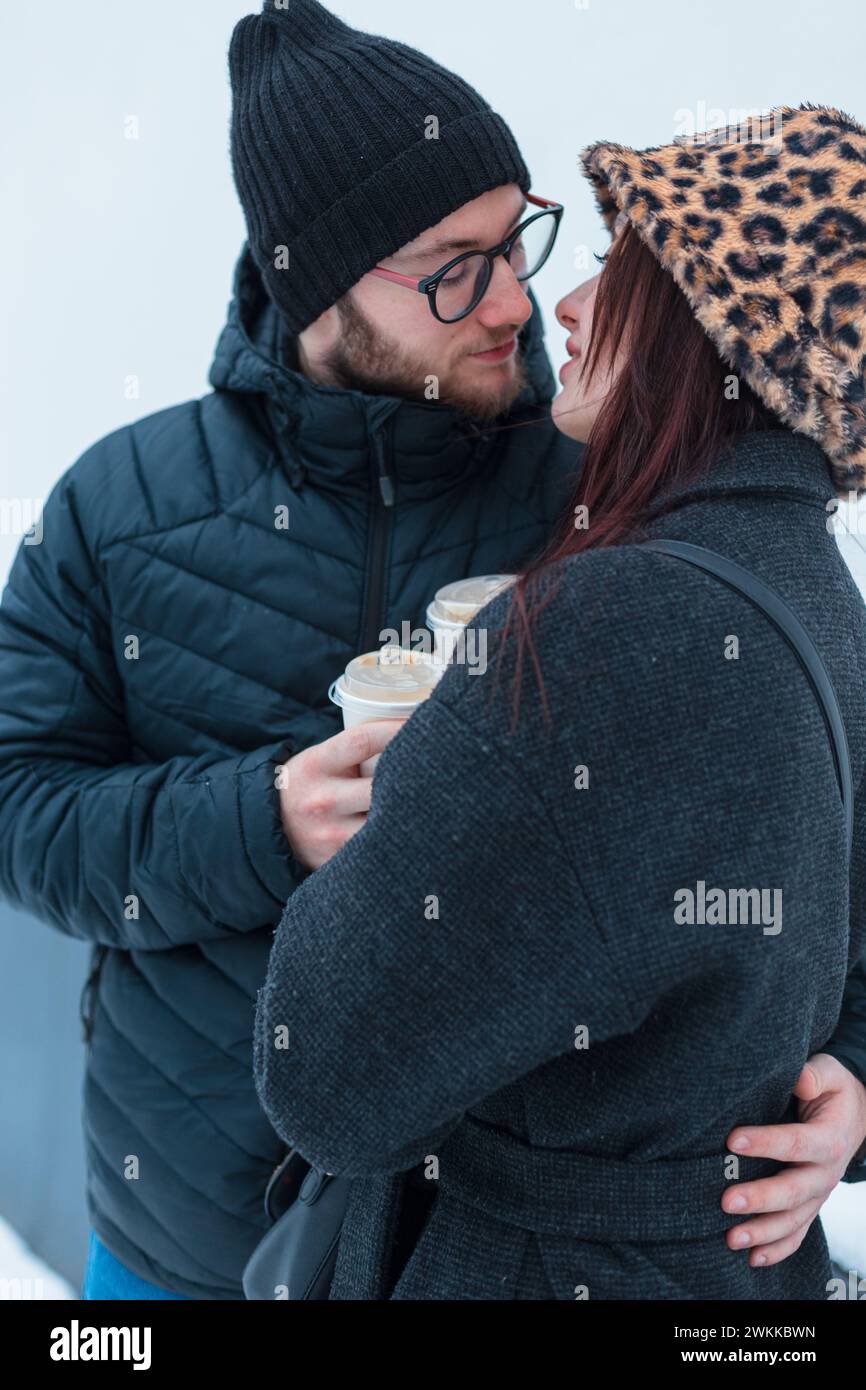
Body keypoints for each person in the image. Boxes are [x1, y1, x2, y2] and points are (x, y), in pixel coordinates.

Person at [253, 102, 866, 1300]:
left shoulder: (612, 624)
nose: (563, 307)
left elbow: (323, 1074)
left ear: (716, 325)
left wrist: (438, 760)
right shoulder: (813, 588)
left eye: (617, 271)